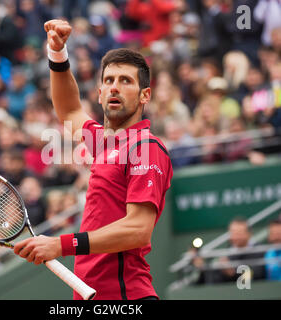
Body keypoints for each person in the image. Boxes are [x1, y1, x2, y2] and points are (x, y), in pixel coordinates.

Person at [13, 19, 173, 300]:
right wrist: (58, 53)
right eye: (108, 81)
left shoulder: (147, 146)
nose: (114, 87)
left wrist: (62, 245)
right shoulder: (102, 142)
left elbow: (138, 230)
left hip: (126, 296)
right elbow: (69, 111)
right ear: (99, 95)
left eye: (125, 81)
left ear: (145, 95)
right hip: (92, 296)